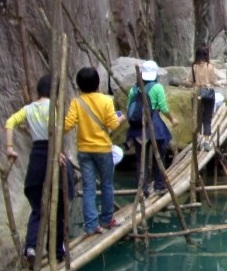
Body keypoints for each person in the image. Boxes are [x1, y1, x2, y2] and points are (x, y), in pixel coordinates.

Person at [4, 74, 74, 266]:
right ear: (56, 92)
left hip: (37, 156)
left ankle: (31, 247)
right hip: (53, 155)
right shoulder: (55, 108)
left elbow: (10, 122)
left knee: (37, 207)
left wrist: (10, 147)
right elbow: (57, 130)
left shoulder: (29, 109)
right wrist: (58, 151)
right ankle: (58, 250)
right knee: (59, 206)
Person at [63, 67, 123, 236]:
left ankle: (90, 225)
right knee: (107, 184)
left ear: (79, 85)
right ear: (97, 83)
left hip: (84, 151)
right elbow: (112, 125)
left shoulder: (77, 102)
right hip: (103, 149)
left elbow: (67, 126)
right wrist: (119, 119)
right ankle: (107, 219)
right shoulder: (105, 101)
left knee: (89, 187)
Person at [126, 60, 179, 198]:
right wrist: (172, 119)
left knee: (140, 159)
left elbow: (128, 108)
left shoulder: (134, 89)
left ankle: (142, 189)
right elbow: (163, 108)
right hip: (154, 125)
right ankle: (159, 185)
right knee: (159, 156)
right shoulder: (157, 88)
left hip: (138, 128)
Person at [185, 46, 219, 150]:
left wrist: (185, 82)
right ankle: (207, 141)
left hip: (196, 94)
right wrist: (220, 83)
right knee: (207, 117)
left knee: (197, 116)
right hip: (208, 94)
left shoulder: (193, 67)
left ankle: (198, 139)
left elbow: (189, 82)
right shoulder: (210, 66)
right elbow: (214, 81)